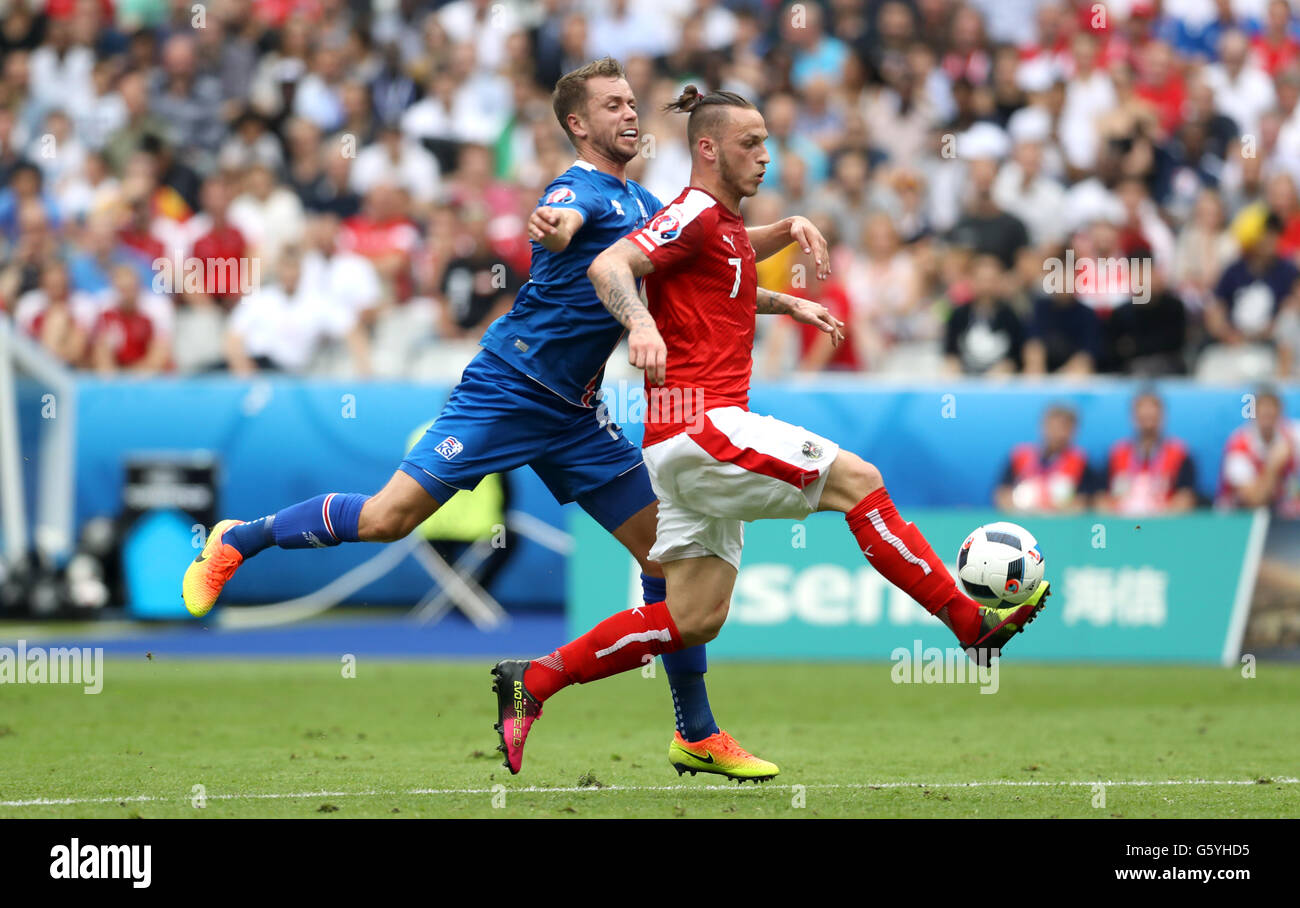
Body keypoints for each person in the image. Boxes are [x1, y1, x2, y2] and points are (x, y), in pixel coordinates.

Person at [182, 58, 829, 783]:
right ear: (578, 124)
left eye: (629, 101)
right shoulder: (575, 189)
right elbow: (562, 224)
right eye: (611, 104)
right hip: (508, 390)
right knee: (389, 517)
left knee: (667, 561)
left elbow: (708, 268)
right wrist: (551, 227)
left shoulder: (648, 204)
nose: (629, 113)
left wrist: (786, 291)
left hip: (577, 415)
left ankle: (697, 733)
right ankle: (242, 539)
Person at [492, 86, 1049, 776]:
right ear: (708, 147)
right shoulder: (695, 212)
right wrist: (639, 326)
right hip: (705, 426)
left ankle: (534, 680)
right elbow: (611, 265)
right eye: (750, 143)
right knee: (860, 483)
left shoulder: (716, 224)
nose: (765, 155)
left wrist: (789, 297)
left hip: (679, 445)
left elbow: (719, 274)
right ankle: (971, 627)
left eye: (766, 142)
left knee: (692, 618)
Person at [1097, 391, 1198, 515]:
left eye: (1152, 417)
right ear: (1133, 418)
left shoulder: (1180, 454)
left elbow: (1185, 498)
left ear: (1162, 417)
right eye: (1143, 418)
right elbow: (1100, 499)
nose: (1148, 424)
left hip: (1164, 524)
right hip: (1122, 523)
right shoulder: (1116, 454)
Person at [995, 404, 1101, 513]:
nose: (1058, 433)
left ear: (1074, 431)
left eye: (1065, 428)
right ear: (1042, 426)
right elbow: (1002, 496)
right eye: (1053, 427)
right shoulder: (1019, 457)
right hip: (1023, 520)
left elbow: (1086, 502)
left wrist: (1050, 506)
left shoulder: (1082, 462)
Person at [1217, 386, 1300, 516]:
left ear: (1280, 411)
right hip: (1237, 518)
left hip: (1281, 518)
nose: (1267, 413)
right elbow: (1254, 501)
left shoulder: (1293, 436)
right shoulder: (1239, 446)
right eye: (1262, 408)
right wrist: (1273, 466)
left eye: (1272, 408)